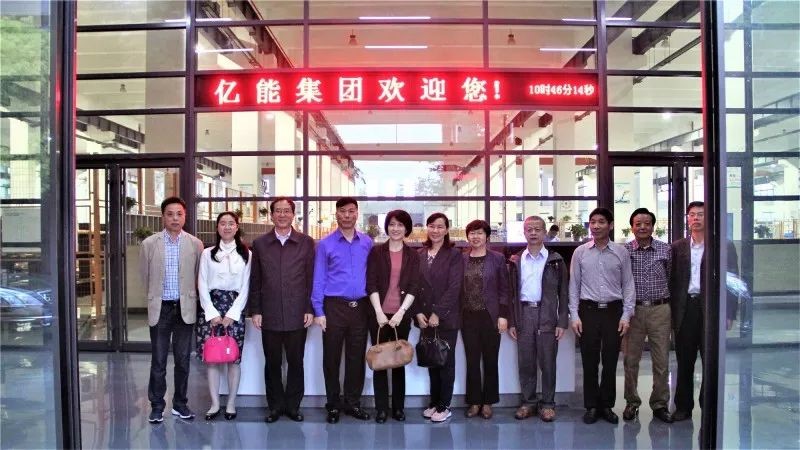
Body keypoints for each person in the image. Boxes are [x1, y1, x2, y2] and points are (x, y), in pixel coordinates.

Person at [670, 201, 739, 422]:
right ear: (687, 219)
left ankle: (708, 406)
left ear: (708, 218)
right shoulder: (677, 247)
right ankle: (683, 407)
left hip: (712, 309)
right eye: (692, 214)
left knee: (710, 360)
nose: (696, 218)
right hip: (686, 309)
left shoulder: (723, 246)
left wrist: (729, 313)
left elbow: (732, 281)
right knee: (685, 360)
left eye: (701, 214)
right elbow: (672, 281)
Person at [249, 197, 315, 423]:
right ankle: (275, 406)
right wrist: (256, 310)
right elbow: (255, 279)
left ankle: (293, 406)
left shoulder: (306, 242)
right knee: (272, 363)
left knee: (296, 362)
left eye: (287, 211)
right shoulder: (260, 244)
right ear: (272, 215)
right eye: (278, 211)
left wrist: (309, 307)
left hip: (298, 313)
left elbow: (311, 278)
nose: (283, 215)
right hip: (270, 313)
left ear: (293, 215)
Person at [139, 197, 204, 423]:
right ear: (163, 217)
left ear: (185, 216)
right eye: (170, 214)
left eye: (179, 214)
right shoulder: (149, 244)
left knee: (183, 360)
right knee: (158, 360)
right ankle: (157, 406)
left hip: (184, 308)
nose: (175, 218)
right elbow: (145, 277)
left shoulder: (195, 244)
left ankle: (180, 404)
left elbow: (198, 276)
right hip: (161, 309)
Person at [569, 207, 635, 425]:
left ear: (610, 225)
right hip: (587, 311)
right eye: (593, 222)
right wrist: (574, 315)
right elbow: (574, 285)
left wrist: (626, 314)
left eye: (601, 222)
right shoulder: (580, 252)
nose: (596, 226)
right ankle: (591, 406)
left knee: (610, 360)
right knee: (589, 360)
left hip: (613, 312)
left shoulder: (621, 252)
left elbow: (628, 285)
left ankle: (606, 405)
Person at [311, 197, 373, 424]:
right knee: (332, 358)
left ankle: (353, 403)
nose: (347, 215)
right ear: (336, 214)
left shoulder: (367, 242)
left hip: (360, 308)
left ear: (357, 214)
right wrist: (319, 310)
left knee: (356, 358)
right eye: (343, 211)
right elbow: (319, 278)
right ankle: (333, 405)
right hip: (334, 307)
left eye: (351, 211)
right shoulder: (325, 244)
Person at [508, 216, 568, 422]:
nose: (533, 233)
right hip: (524, 313)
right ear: (524, 232)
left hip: (547, 314)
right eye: (529, 229)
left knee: (548, 361)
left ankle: (548, 404)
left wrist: (562, 321)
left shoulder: (556, 261)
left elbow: (564, 292)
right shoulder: (516, 260)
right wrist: (513, 321)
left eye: (537, 229)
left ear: (544, 232)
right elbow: (511, 293)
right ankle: (528, 402)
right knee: (526, 362)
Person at [196, 212, 251, 421]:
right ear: (217, 227)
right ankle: (214, 404)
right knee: (212, 358)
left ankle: (231, 404)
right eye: (222, 223)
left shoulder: (247, 254)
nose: (227, 227)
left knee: (233, 359)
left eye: (231, 223)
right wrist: (211, 313)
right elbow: (202, 283)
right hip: (210, 308)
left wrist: (233, 314)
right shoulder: (207, 253)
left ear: (237, 227)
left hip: (235, 308)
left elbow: (246, 287)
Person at [365, 210, 419, 423]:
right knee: (379, 361)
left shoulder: (413, 255)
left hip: (401, 315)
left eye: (400, 225)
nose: (395, 228)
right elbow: (371, 283)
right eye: (392, 224)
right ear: (387, 227)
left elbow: (414, 286)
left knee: (398, 361)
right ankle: (381, 408)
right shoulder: (376, 252)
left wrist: (401, 312)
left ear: (407, 229)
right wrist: (379, 311)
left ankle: (398, 407)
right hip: (378, 315)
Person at [622, 208, 673, 423]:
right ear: (632, 227)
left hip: (660, 310)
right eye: (638, 224)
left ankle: (660, 404)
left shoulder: (666, 249)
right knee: (630, 359)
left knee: (661, 360)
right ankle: (632, 402)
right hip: (633, 311)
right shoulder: (624, 251)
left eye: (647, 223)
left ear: (653, 226)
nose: (642, 227)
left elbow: (672, 277)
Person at [413, 212, 464, 423]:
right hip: (424, 318)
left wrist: (438, 313)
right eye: (432, 226)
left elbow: (454, 287)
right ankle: (434, 402)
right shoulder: (419, 254)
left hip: (446, 318)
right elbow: (413, 286)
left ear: (446, 230)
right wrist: (417, 312)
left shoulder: (454, 255)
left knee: (446, 362)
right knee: (432, 359)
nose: (435, 230)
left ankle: (444, 405)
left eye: (440, 226)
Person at [461, 219, 510, 420]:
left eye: (480, 233)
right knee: (472, 360)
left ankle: (488, 402)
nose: (476, 236)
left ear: (487, 236)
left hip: (490, 316)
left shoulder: (497, 258)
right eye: (472, 233)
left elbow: (504, 288)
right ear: (467, 236)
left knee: (490, 360)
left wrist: (503, 315)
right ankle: (474, 401)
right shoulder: (461, 258)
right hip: (467, 316)